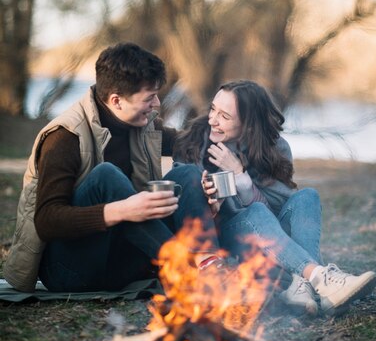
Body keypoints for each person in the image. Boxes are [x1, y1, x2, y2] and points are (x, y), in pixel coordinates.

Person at [4, 43, 224, 293]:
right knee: (105, 177)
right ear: (116, 100)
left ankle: (209, 265)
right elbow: (47, 220)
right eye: (149, 97)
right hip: (71, 270)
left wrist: (233, 140)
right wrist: (120, 210)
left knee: (188, 175)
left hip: (122, 260)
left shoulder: (142, 126)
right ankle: (185, 270)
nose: (157, 103)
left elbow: (188, 143)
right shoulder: (65, 137)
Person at [173, 80, 376, 317]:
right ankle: (319, 278)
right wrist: (212, 202)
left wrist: (241, 177)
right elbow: (190, 207)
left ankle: (302, 288)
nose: (212, 120)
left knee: (307, 196)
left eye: (224, 116)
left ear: (248, 124)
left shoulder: (275, 148)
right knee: (256, 212)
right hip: (229, 242)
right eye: (213, 110)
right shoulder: (194, 142)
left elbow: (278, 210)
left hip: (269, 237)